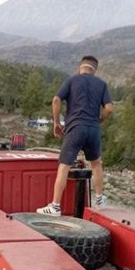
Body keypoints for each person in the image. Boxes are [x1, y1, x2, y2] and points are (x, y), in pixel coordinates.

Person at [38, 56, 112, 215]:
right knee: (96, 163)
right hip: (93, 129)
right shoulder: (101, 84)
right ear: (95, 69)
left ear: (80, 67)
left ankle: (55, 206)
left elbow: (56, 99)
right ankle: (100, 199)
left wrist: (57, 122)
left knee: (64, 165)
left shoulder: (72, 80)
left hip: (75, 128)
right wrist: (100, 119)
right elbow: (109, 108)